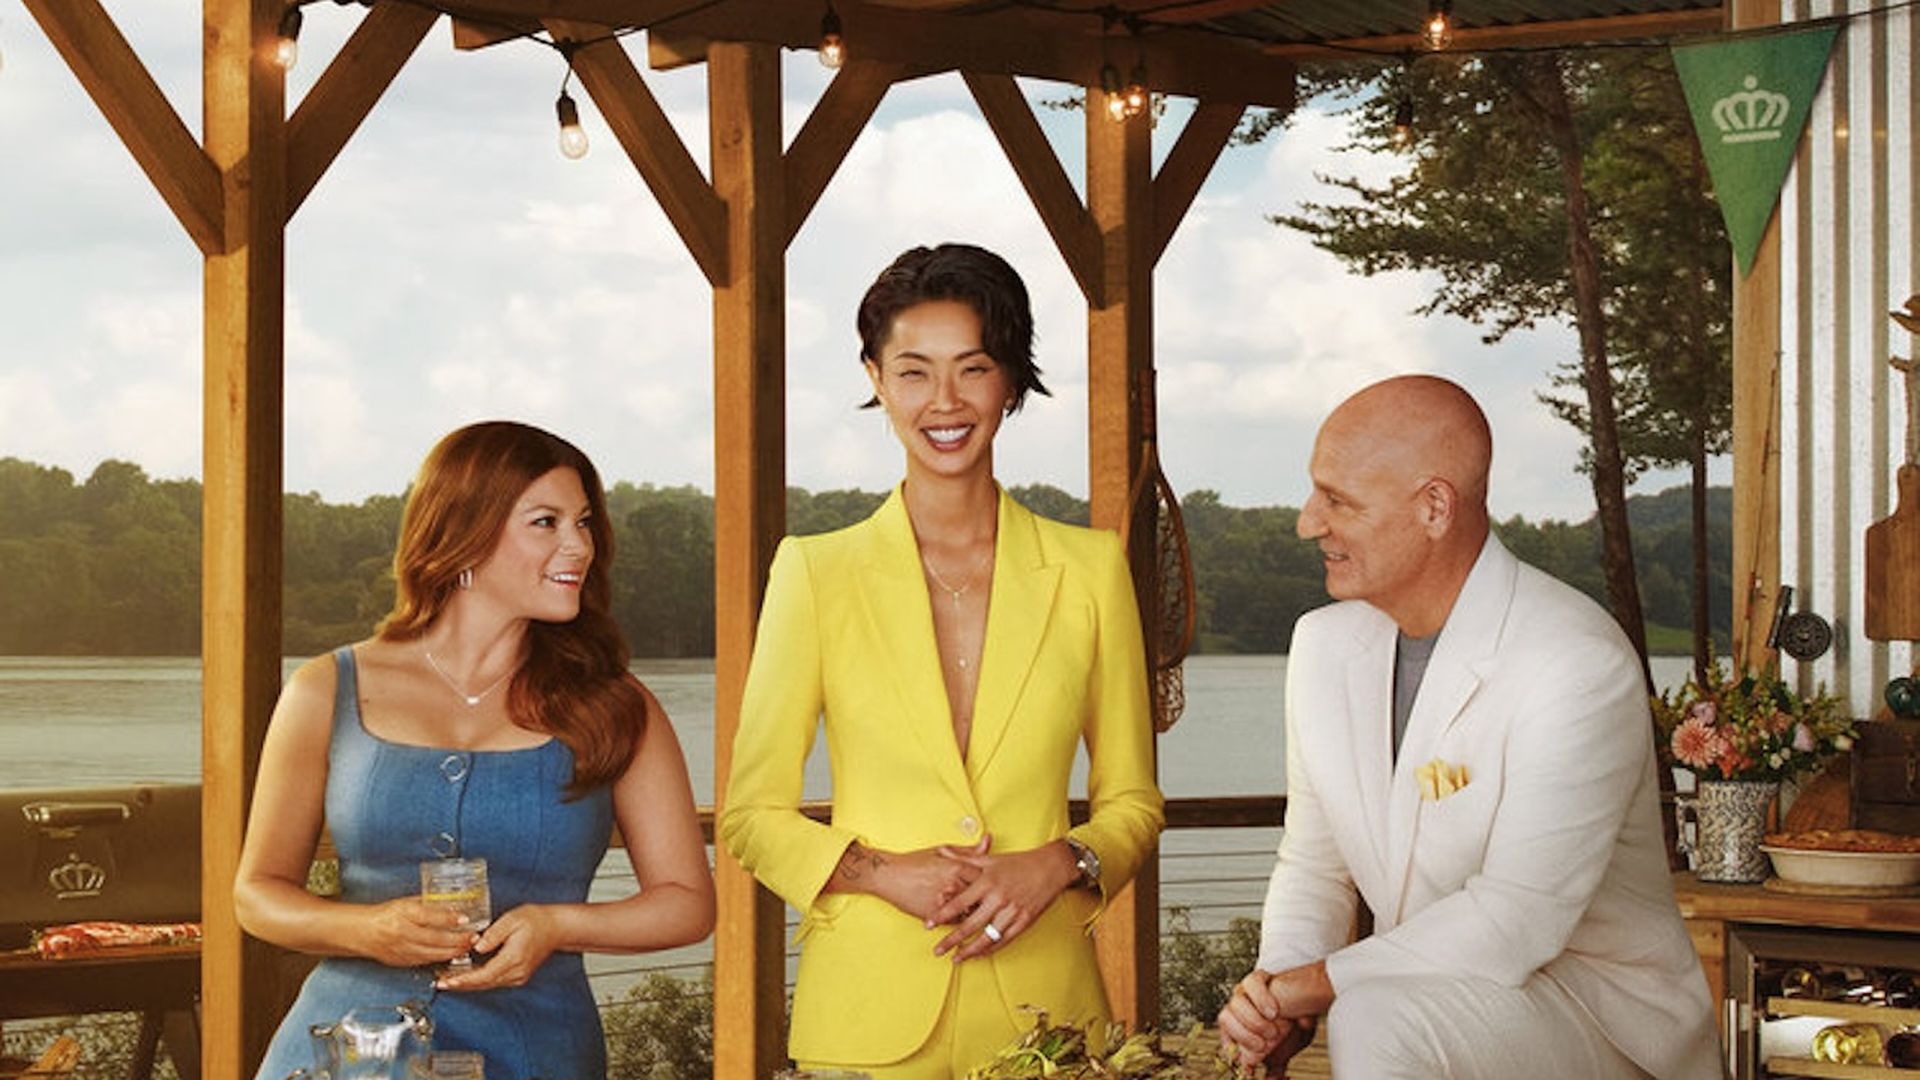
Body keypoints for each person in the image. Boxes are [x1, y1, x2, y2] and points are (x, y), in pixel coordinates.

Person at [719, 243, 1165, 1078]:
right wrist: (883, 874)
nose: (946, 402)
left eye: (974, 369)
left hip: (1051, 1021)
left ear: (1011, 381)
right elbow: (752, 816)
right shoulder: (815, 573)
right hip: (865, 1022)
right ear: (877, 379)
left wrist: (1057, 863)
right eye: (915, 372)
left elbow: (1133, 799)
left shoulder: (1091, 569)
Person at [1218, 375, 1720, 1079]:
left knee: (1374, 1013)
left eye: (1338, 500)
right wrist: (1274, 999)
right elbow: (1314, 866)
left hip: (1601, 1020)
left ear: (1434, 507)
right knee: (1378, 1008)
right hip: (1429, 999)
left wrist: (1317, 984)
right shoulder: (1321, 646)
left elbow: (1517, 919)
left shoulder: (1575, 659)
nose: (1307, 521)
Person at [236, 421, 715, 1080]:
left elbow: (687, 901)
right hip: (346, 1054)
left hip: (535, 1053)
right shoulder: (325, 689)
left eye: (584, 523)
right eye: (546, 522)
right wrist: (366, 930)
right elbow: (257, 894)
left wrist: (556, 925)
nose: (579, 545)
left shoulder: (617, 706)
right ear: (466, 530)